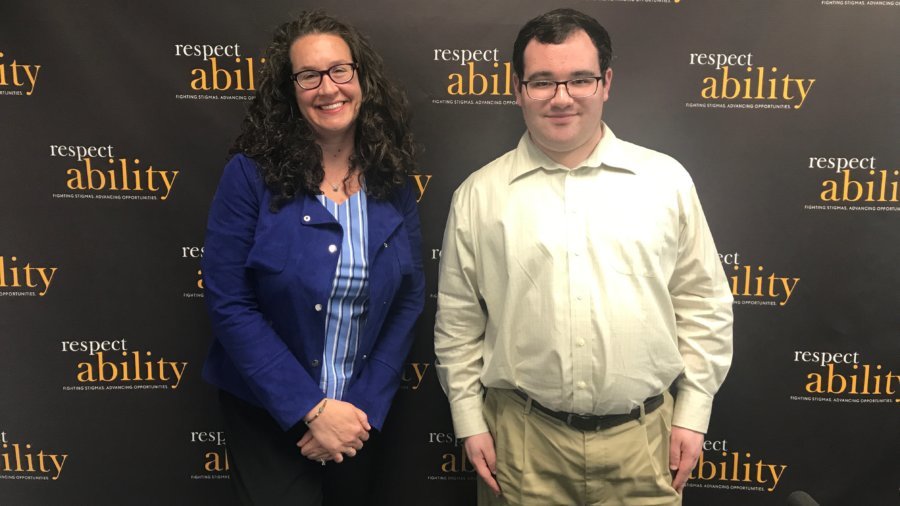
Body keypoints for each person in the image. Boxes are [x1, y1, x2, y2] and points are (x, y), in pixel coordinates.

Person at [434, 8, 733, 505]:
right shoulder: (478, 195)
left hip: (646, 447)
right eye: (542, 82)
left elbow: (703, 304)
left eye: (579, 79)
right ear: (518, 88)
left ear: (606, 82)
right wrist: (469, 422)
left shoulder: (665, 183)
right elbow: (459, 323)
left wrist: (694, 411)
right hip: (521, 449)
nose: (561, 97)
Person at [201, 10, 424, 505]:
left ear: (361, 78)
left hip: (358, 420)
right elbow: (229, 302)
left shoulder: (393, 179)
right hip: (266, 413)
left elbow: (410, 298)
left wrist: (357, 411)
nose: (328, 88)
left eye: (340, 70)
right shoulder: (249, 176)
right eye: (309, 75)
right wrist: (310, 409)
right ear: (290, 89)